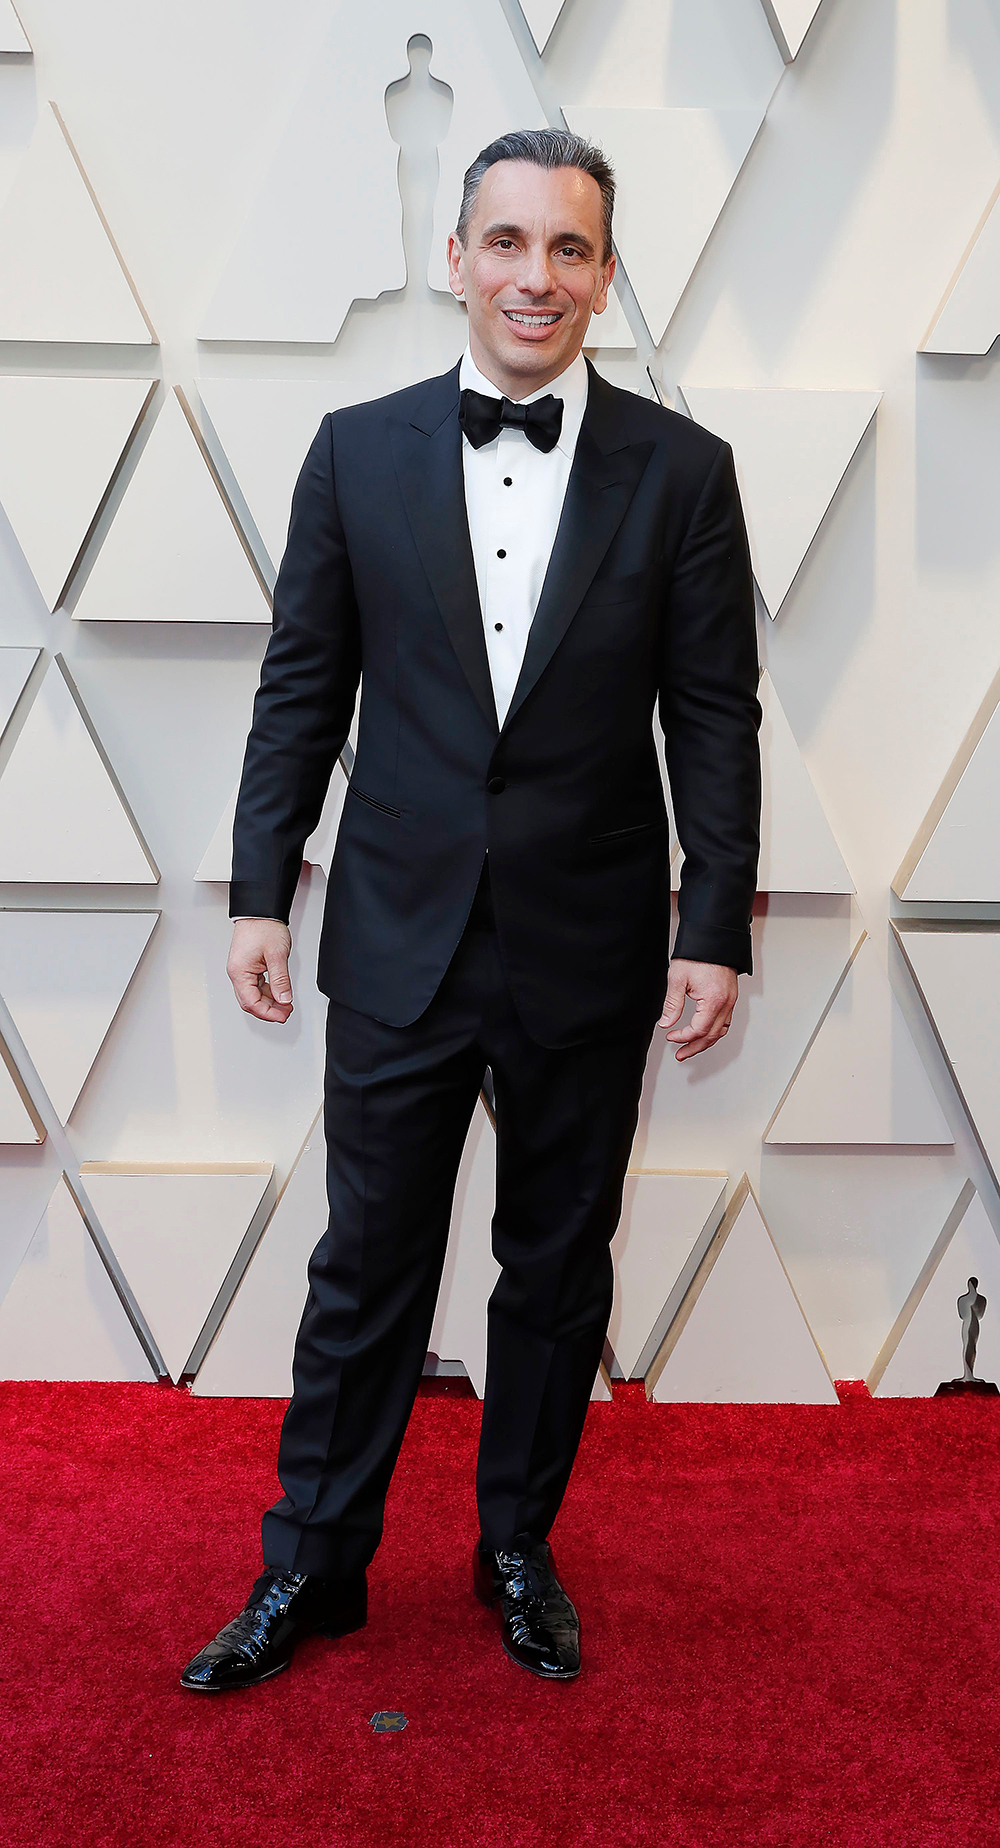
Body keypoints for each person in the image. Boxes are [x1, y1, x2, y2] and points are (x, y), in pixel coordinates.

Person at [180, 127, 761, 1694]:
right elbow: (301, 686)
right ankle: (313, 1569)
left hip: (588, 940)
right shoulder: (355, 452)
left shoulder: (684, 474)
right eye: (507, 243)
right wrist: (259, 893)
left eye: (569, 250)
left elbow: (714, 716)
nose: (535, 277)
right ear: (456, 257)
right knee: (366, 1265)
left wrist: (713, 925)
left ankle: (517, 1545)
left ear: (606, 276)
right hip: (396, 934)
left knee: (557, 1267)